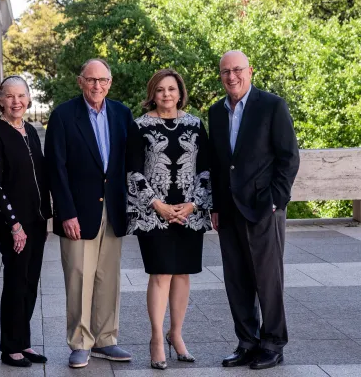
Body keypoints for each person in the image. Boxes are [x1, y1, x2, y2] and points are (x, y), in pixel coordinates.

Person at [208, 50, 300, 370]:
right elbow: (219, 166)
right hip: (230, 211)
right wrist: (216, 207)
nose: (231, 77)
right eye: (225, 72)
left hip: (264, 209)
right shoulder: (215, 113)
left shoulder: (272, 105)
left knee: (268, 279)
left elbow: (288, 157)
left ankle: (273, 344)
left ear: (250, 71)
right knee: (237, 280)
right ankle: (247, 342)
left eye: (237, 70)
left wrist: (276, 200)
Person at [45, 58, 134, 368]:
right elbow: (55, 168)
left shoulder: (122, 114)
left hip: (114, 207)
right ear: (80, 81)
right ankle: (80, 342)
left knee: (108, 277)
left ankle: (106, 339)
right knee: (79, 276)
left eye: (103, 80)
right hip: (77, 212)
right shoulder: (63, 116)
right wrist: (65, 212)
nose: (98, 86)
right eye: (92, 80)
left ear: (110, 82)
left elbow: (132, 160)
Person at [125, 69, 212, 370]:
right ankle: (156, 340)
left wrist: (192, 205)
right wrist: (158, 205)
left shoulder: (196, 125)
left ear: (180, 92)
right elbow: (133, 171)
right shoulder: (138, 126)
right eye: (160, 90)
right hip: (154, 213)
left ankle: (176, 335)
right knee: (160, 274)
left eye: (172, 89)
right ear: (153, 93)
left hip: (188, 213)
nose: (166, 95)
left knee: (183, 274)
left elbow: (206, 170)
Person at [0, 75, 52, 367]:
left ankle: (24, 342)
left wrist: (45, 217)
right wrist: (14, 226)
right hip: (13, 225)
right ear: (0, 99)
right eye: (9, 96)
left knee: (30, 282)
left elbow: (42, 177)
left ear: (28, 99)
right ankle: (10, 346)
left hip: (35, 222)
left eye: (21, 96)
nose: (16, 102)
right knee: (15, 282)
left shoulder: (30, 131)